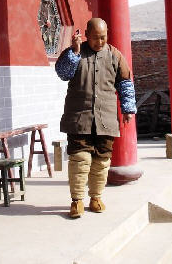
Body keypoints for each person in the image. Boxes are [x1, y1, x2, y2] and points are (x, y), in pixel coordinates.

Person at [55, 17, 136, 218]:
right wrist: (73, 51)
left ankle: (96, 197)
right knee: (80, 160)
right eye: (94, 38)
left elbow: (125, 83)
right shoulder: (76, 53)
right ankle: (77, 200)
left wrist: (127, 108)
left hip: (106, 117)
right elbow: (62, 73)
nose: (99, 42)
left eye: (103, 37)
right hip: (78, 117)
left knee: (101, 161)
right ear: (86, 36)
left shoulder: (115, 55)